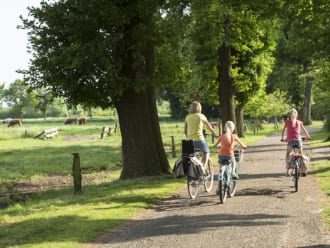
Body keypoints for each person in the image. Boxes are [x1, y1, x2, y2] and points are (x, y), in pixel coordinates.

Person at [184, 101, 218, 171]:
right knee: (206, 153)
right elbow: (209, 127)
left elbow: (185, 130)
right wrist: (215, 134)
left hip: (189, 142)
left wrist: (188, 137)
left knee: (190, 157)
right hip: (199, 140)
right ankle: (202, 168)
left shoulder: (187, 117)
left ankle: (192, 172)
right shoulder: (201, 116)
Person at [281, 108, 311, 176]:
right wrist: (308, 136)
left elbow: (283, 130)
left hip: (290, 141)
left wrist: (282, 138)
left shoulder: (287, 122)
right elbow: (304, 130)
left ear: (290, 115)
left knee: (287, 155)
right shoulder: (299, 122)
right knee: (300, 155)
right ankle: (302, 170)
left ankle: (288, 171)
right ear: (296, 115)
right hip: (298, 141)